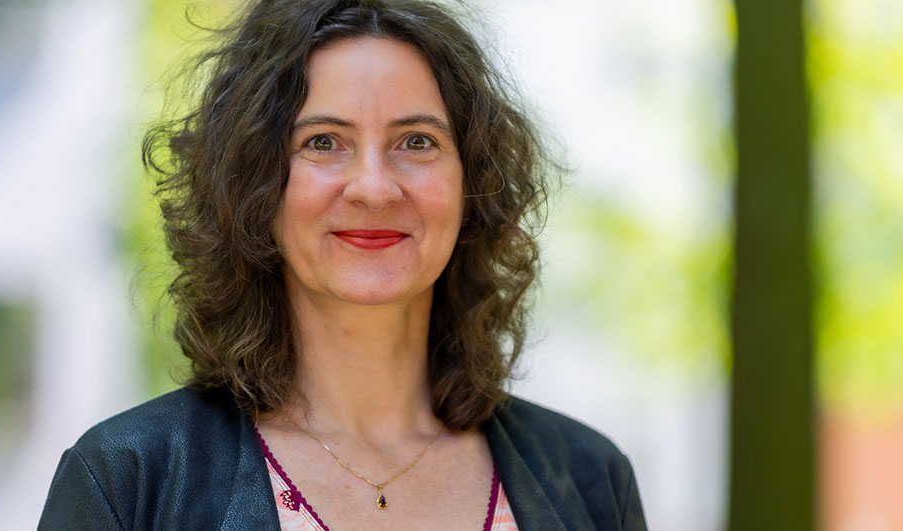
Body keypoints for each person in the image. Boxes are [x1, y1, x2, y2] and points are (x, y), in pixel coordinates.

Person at [39, 0, 646, 529]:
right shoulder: (128, 481)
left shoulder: (591, 480)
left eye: (417, 141)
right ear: (256, 185)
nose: (374, 188)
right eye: (323, 142)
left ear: (472, 185)